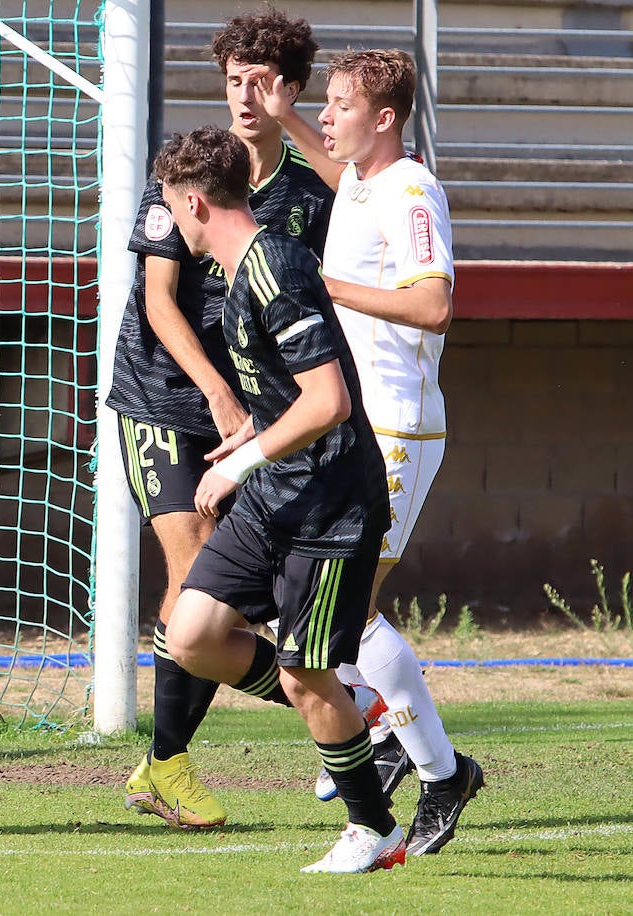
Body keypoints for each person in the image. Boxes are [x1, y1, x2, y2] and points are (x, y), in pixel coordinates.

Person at [109, 8, 340, 829]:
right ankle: (316, 719)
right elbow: (158, 303)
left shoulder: (310, 193)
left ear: (292, 88)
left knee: (244, 598)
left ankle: (179, 760)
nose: (245, 96)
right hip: (164, 400)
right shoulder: (188, 170)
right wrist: (216, 392)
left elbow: (373, 193)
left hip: (258, 417)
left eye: (263, 82)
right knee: (196, 573)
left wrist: (298, 129)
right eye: (234, 79)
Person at [254, 48, 484, 855]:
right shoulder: (363, 177)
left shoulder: (411, 187)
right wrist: (283, 118)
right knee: (323, 609)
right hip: (353, 424)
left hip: (396, 426)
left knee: (346, 615)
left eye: (340, 103)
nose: (326, 114)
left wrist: (324, 287)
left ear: (384, 119)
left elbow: (434, 304)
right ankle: (406, 747)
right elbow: (340, 171)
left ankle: (433, 767)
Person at [155, 125, 403, 873]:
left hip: (330, 507)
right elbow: (294, 393)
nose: (170, 223)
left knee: (303, 673)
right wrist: (254, 438)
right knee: (193, 633)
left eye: (171, 209)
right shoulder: (248, 271)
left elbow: (327, 401)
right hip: (277, 494)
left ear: (194, 202)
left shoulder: (273, 272)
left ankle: (374, 830)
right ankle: (353, 716)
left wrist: (244, 460)